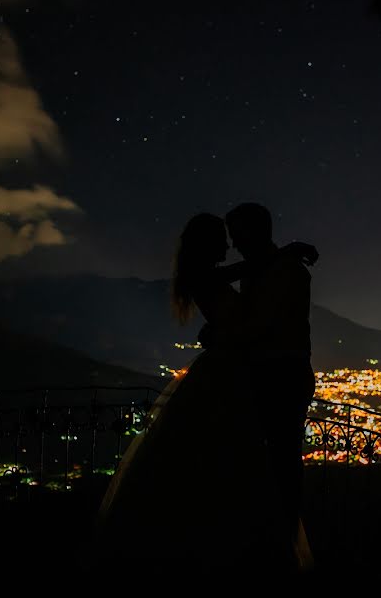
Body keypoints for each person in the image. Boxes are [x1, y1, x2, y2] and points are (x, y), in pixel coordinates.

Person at [92, 212, 317, 577]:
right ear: (206, 243)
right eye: (221, 239)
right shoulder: (208, 275)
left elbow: (241, 282)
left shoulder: (204, 274)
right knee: (229, 452)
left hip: (226, 369)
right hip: (226, 371)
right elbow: (242, 313)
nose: (228, 246)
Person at [223, 202, 316, 572]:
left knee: (281, 463)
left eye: (237, 235)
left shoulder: (285, 271)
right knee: (276, 463)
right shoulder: (269, 267)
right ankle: (274, 544)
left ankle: (282, 549)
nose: (233, 244)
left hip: (281, 377)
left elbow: (262, 324)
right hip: (273, 376)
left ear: (254, 232)